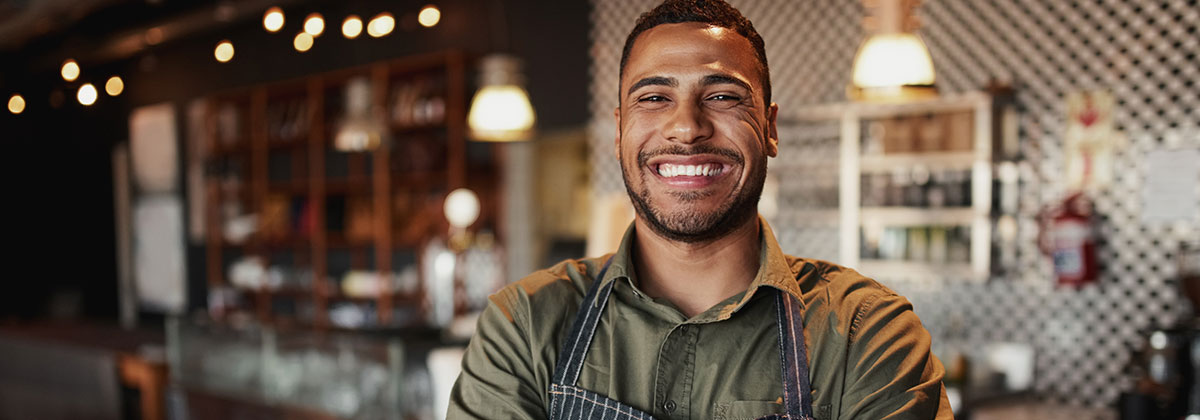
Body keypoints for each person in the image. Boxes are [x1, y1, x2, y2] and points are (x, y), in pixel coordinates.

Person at [448, 0, 952, 418]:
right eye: (654, 97)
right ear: (620, 129)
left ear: (770, 128)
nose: (686, 127)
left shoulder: (868, 333)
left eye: (723, 96)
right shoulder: (526, 324)